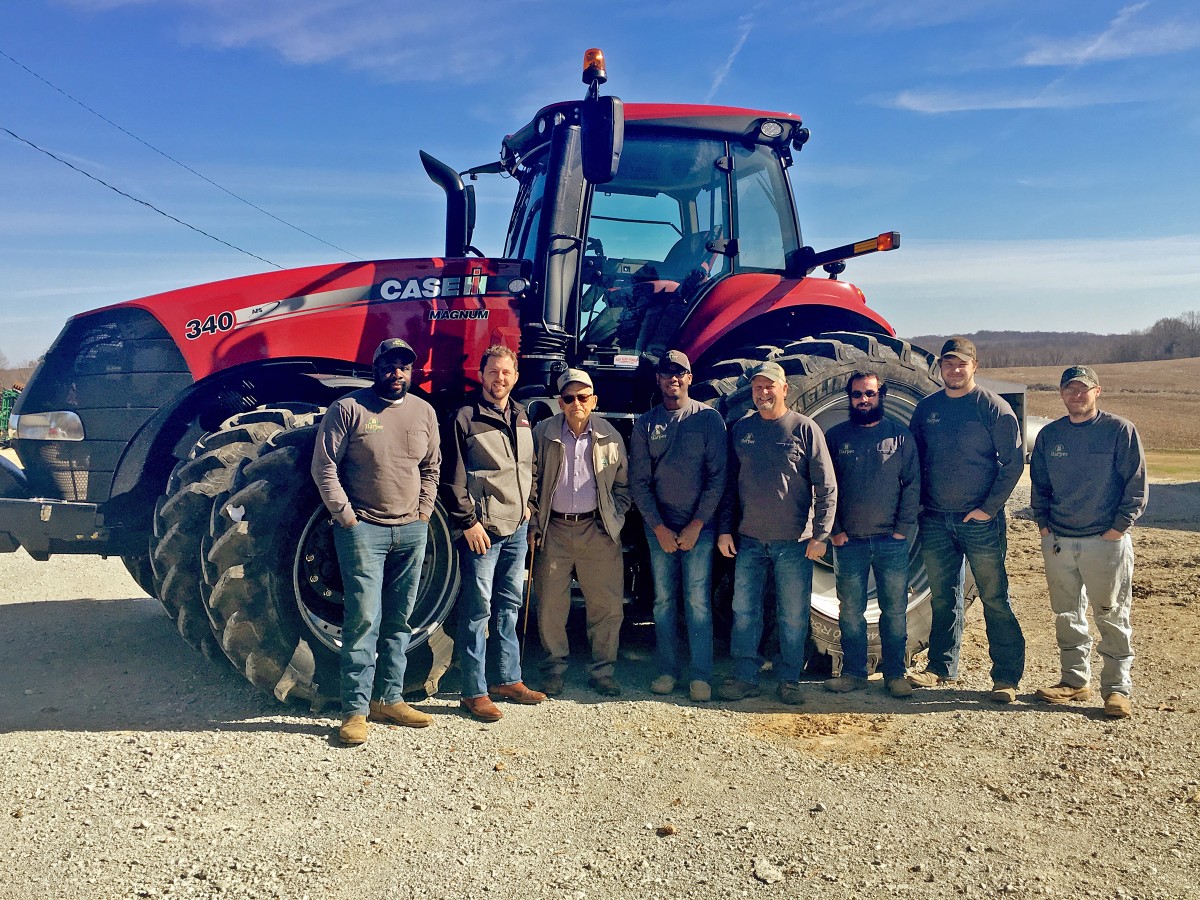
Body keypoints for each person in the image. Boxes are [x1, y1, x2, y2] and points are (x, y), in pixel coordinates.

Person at [311, 338, 440, 746]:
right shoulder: (349, 409)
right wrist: (346, 517)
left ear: (411, 370)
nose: (397, 372)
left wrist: (423, 513)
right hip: (363, 529)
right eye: (389, 365)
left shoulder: (424, 412)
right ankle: (355, 710)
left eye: (404, 365)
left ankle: (390, 697)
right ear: (376, 367)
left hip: (411, 530)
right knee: (364, 619)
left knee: (400, 619)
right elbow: (324, 467)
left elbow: (432, 467)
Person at [908, 337, 1026, 702]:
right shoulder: (927, 409)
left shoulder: (993, 408)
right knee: (943, 598)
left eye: (961, 364)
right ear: (940, 368)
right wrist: (918, 505)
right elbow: (913, 461)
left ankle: (1005, 677)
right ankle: (941, 667)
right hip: (936, 519)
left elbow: (1014, 463)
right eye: (948, 364)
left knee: (994, 597)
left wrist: (988, 509)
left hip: (980, 522)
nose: (954, 370)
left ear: (975, 366)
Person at [716, 361, 837, 705]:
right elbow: (729, 488)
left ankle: (789, 679)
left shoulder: (804, 429)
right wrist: (725, 531)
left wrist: (821, 534)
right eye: (757, 388)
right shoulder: (742, 430)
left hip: (794, 544)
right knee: (744, 611)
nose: (763, 393)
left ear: (785, 389)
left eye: (770, 386)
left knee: (793, 614)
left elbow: (826, 486)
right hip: (750, 541)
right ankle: (745, 676)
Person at [1030, 365, 1147, 719]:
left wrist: (1118, 529)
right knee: (1067, 614)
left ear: (1097, 392)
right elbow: (1040, 486)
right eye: (1070, 389)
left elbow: (1136, 485)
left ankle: (1116, 689)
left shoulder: (1118, 431)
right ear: (1062, 394)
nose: (1077, 395)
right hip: (1060, 542)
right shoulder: (1051, 436)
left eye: (1084, 389)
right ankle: (1075, 680)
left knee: (1111, 615)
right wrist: (1045, 528)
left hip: (1105, 542)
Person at [442, 345, 545, 722]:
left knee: (509, 605)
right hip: (484, 531)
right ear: (481, 376)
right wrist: (467, 523)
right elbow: (451, 479)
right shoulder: (465, 418)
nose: (500, 379)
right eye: (493, 372)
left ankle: (508, 678)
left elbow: (528, 469)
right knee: (478, 610)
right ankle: (473, 690)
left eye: (506, 373)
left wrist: (530, 514)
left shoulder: (521, 415)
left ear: (515, 376)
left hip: (517, 528)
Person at [629, 350, 727, 703]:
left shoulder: (709, 420)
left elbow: (718, 478)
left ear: (689, 377)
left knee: (697, 601)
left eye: (679, 373)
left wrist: (697, 525)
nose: (673, 378)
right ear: (658, 379)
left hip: (699, 530)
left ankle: (701, 675)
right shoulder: (646, 424)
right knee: (664, 601)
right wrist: (658, 528)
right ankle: (667, 670)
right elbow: (639, 482)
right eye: (666, 373)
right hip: (661, 531)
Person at [530, 368, 632, 697]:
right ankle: (553, 669)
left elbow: (623, 485)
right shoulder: (542, 433)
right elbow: (531, 480)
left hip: (596, 530)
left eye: (583, 397)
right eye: (569, 397)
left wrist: (613, 516)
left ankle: (603, 671)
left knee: (607, 606)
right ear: (560, 403)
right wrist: (534, 520)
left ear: (594, 400)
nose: (576, 402)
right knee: (549, 605)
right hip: (554, 529)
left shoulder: (610, 436)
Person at [823, 371, 920, 699]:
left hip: (889, 543)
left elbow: (912, 486)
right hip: (848, 543)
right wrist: (834, 531)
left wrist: (901, 531)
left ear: (882, 396)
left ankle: (895, 675)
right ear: (849, 398)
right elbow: (824, 487)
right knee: (850, 611)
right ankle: (853, 673)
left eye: (870, 394)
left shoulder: (900, 436)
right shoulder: (835, 438)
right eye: (857, 395)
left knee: (894, 610)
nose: (863, 400)